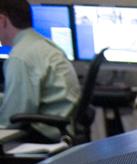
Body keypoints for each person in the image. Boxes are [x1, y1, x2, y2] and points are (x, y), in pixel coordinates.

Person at [0, 0, 80, 141]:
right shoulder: (42, 45)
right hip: (60, 128)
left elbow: (13, 118)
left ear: (2, 20)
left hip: (43, 134)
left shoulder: (20, 57)